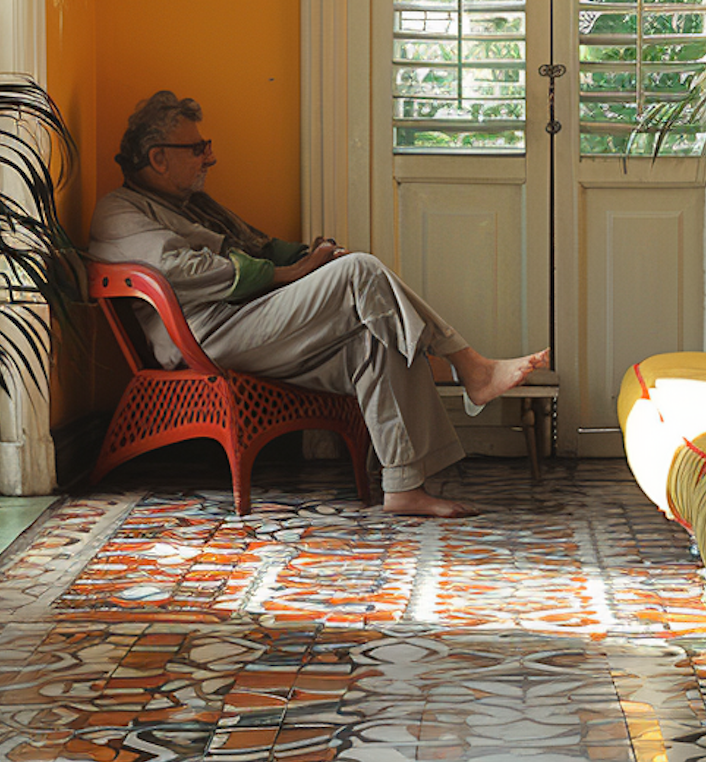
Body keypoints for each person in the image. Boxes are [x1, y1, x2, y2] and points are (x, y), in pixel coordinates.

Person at [87, 90, 549, 518]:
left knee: (373, 338)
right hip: (205, 335)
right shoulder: (119, 210)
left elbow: (257, 246)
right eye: (198, 147)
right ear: (158, 158)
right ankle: (469, 367)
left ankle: (404, 487)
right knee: (361, 273)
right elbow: (180, 272)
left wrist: (311, 256)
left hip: (245, 323)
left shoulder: (194, 204)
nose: (210, 156)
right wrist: (294, 274)